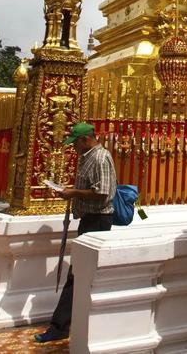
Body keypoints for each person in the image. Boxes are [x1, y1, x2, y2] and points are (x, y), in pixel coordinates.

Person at [34, 122, 116, 344]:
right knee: (81, 273)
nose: (74, 148)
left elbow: (103, 193)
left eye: (76, 143)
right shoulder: (87, 157)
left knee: (77, 273)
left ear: (86, 139)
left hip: (98, 221)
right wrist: (71, 192)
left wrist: (73, 193)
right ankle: (71, 321)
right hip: (88, 219)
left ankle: (60, 325)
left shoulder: (100, 158)